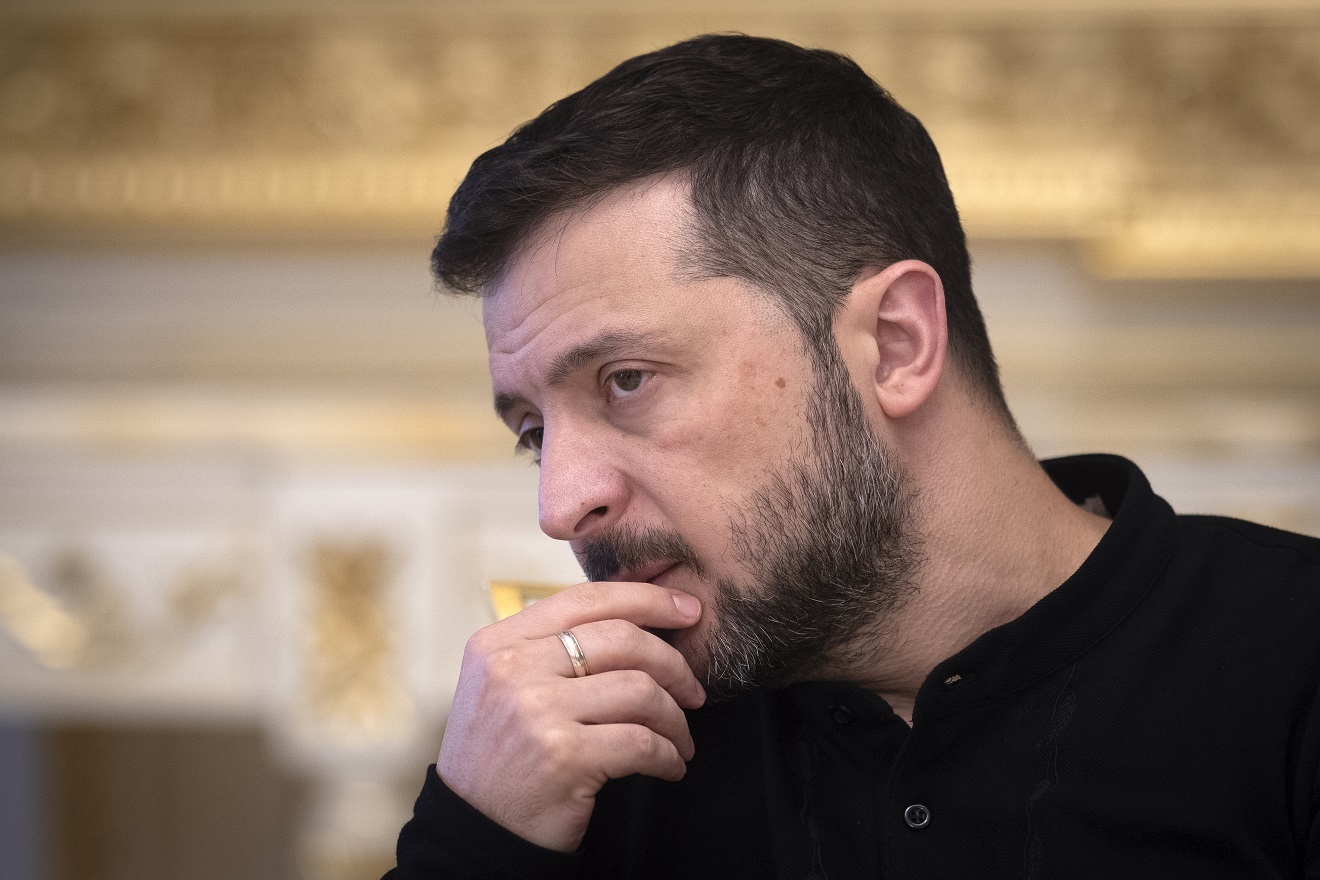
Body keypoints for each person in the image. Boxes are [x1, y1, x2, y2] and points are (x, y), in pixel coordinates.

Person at [385, 34, 1320, 879]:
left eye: (627, 379)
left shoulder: (1290, 662)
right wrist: (477, 842)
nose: (560, 505)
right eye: (534, 433)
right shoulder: (599, 765)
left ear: (897, 344)